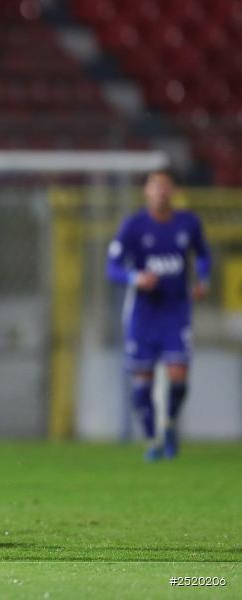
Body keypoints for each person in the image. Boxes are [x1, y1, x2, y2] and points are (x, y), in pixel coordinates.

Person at [106, 170, 211, 461]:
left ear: (174, 190)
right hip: (143, 312)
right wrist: (135, 278)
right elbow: (111, 267)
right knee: (143, 379)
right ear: (146, 192)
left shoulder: (188, 223)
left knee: (178, 375)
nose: (161, 192)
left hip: (176, 309)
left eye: (166, 186)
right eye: (156, 186)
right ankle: (153, 439)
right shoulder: (134, 226)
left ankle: (169, 423)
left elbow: (203, 254)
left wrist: (203, 280)